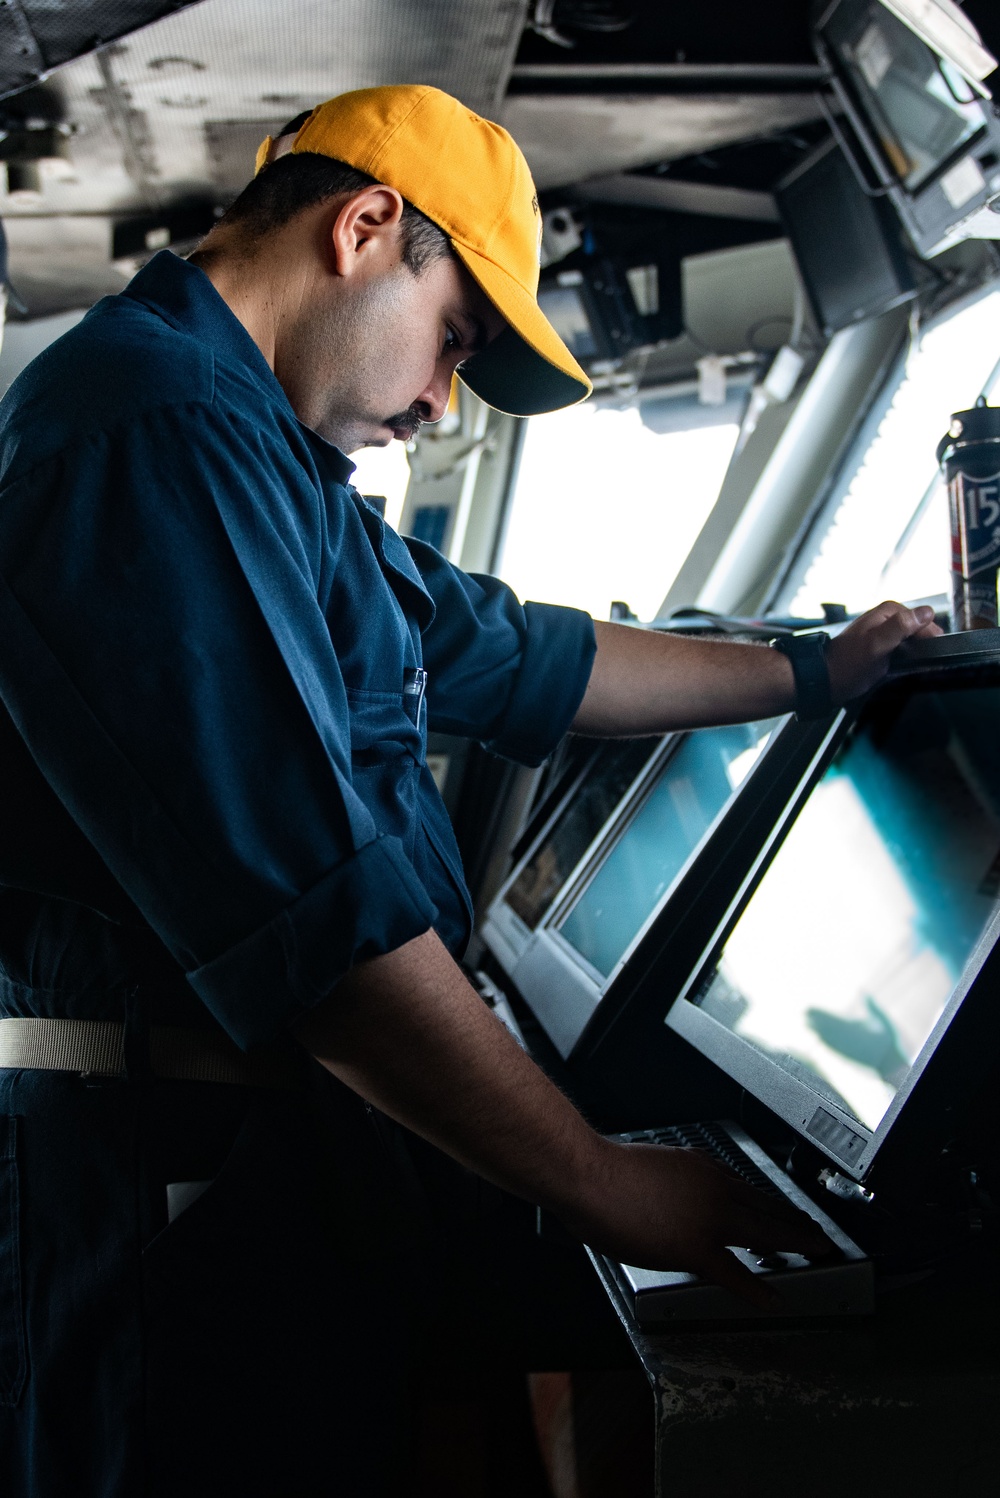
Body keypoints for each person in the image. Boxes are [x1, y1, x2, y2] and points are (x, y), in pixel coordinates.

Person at [0, 85, 939, 1496]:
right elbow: (319, 922)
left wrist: (813, 674)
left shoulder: (268, 460)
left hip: (272, 1164)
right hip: (173, 1200)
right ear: (366, 227)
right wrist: (611, 1182)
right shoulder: (151, 429)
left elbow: (517, 658)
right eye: (454, 340)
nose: (441, 402)